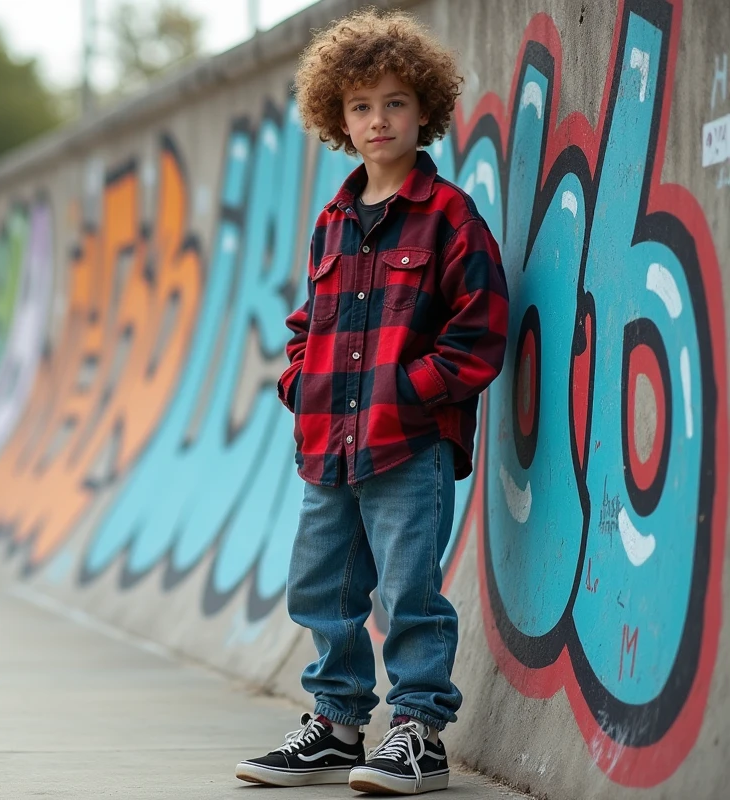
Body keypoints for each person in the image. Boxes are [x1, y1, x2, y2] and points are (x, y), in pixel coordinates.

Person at [235, 7, 509, 795]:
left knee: (409, 590)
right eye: (359, 106)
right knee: (323, 585)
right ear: (337, 119)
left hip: (407, 444)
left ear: (424, 109)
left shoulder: (450, 215)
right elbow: (304, 326)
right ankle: (337, 723)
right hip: (327, 442)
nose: (377, 119)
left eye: (394, 102)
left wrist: (411, 394)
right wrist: (301, 382)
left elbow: (481, 327)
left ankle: (418, 733)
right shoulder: (331, 221)